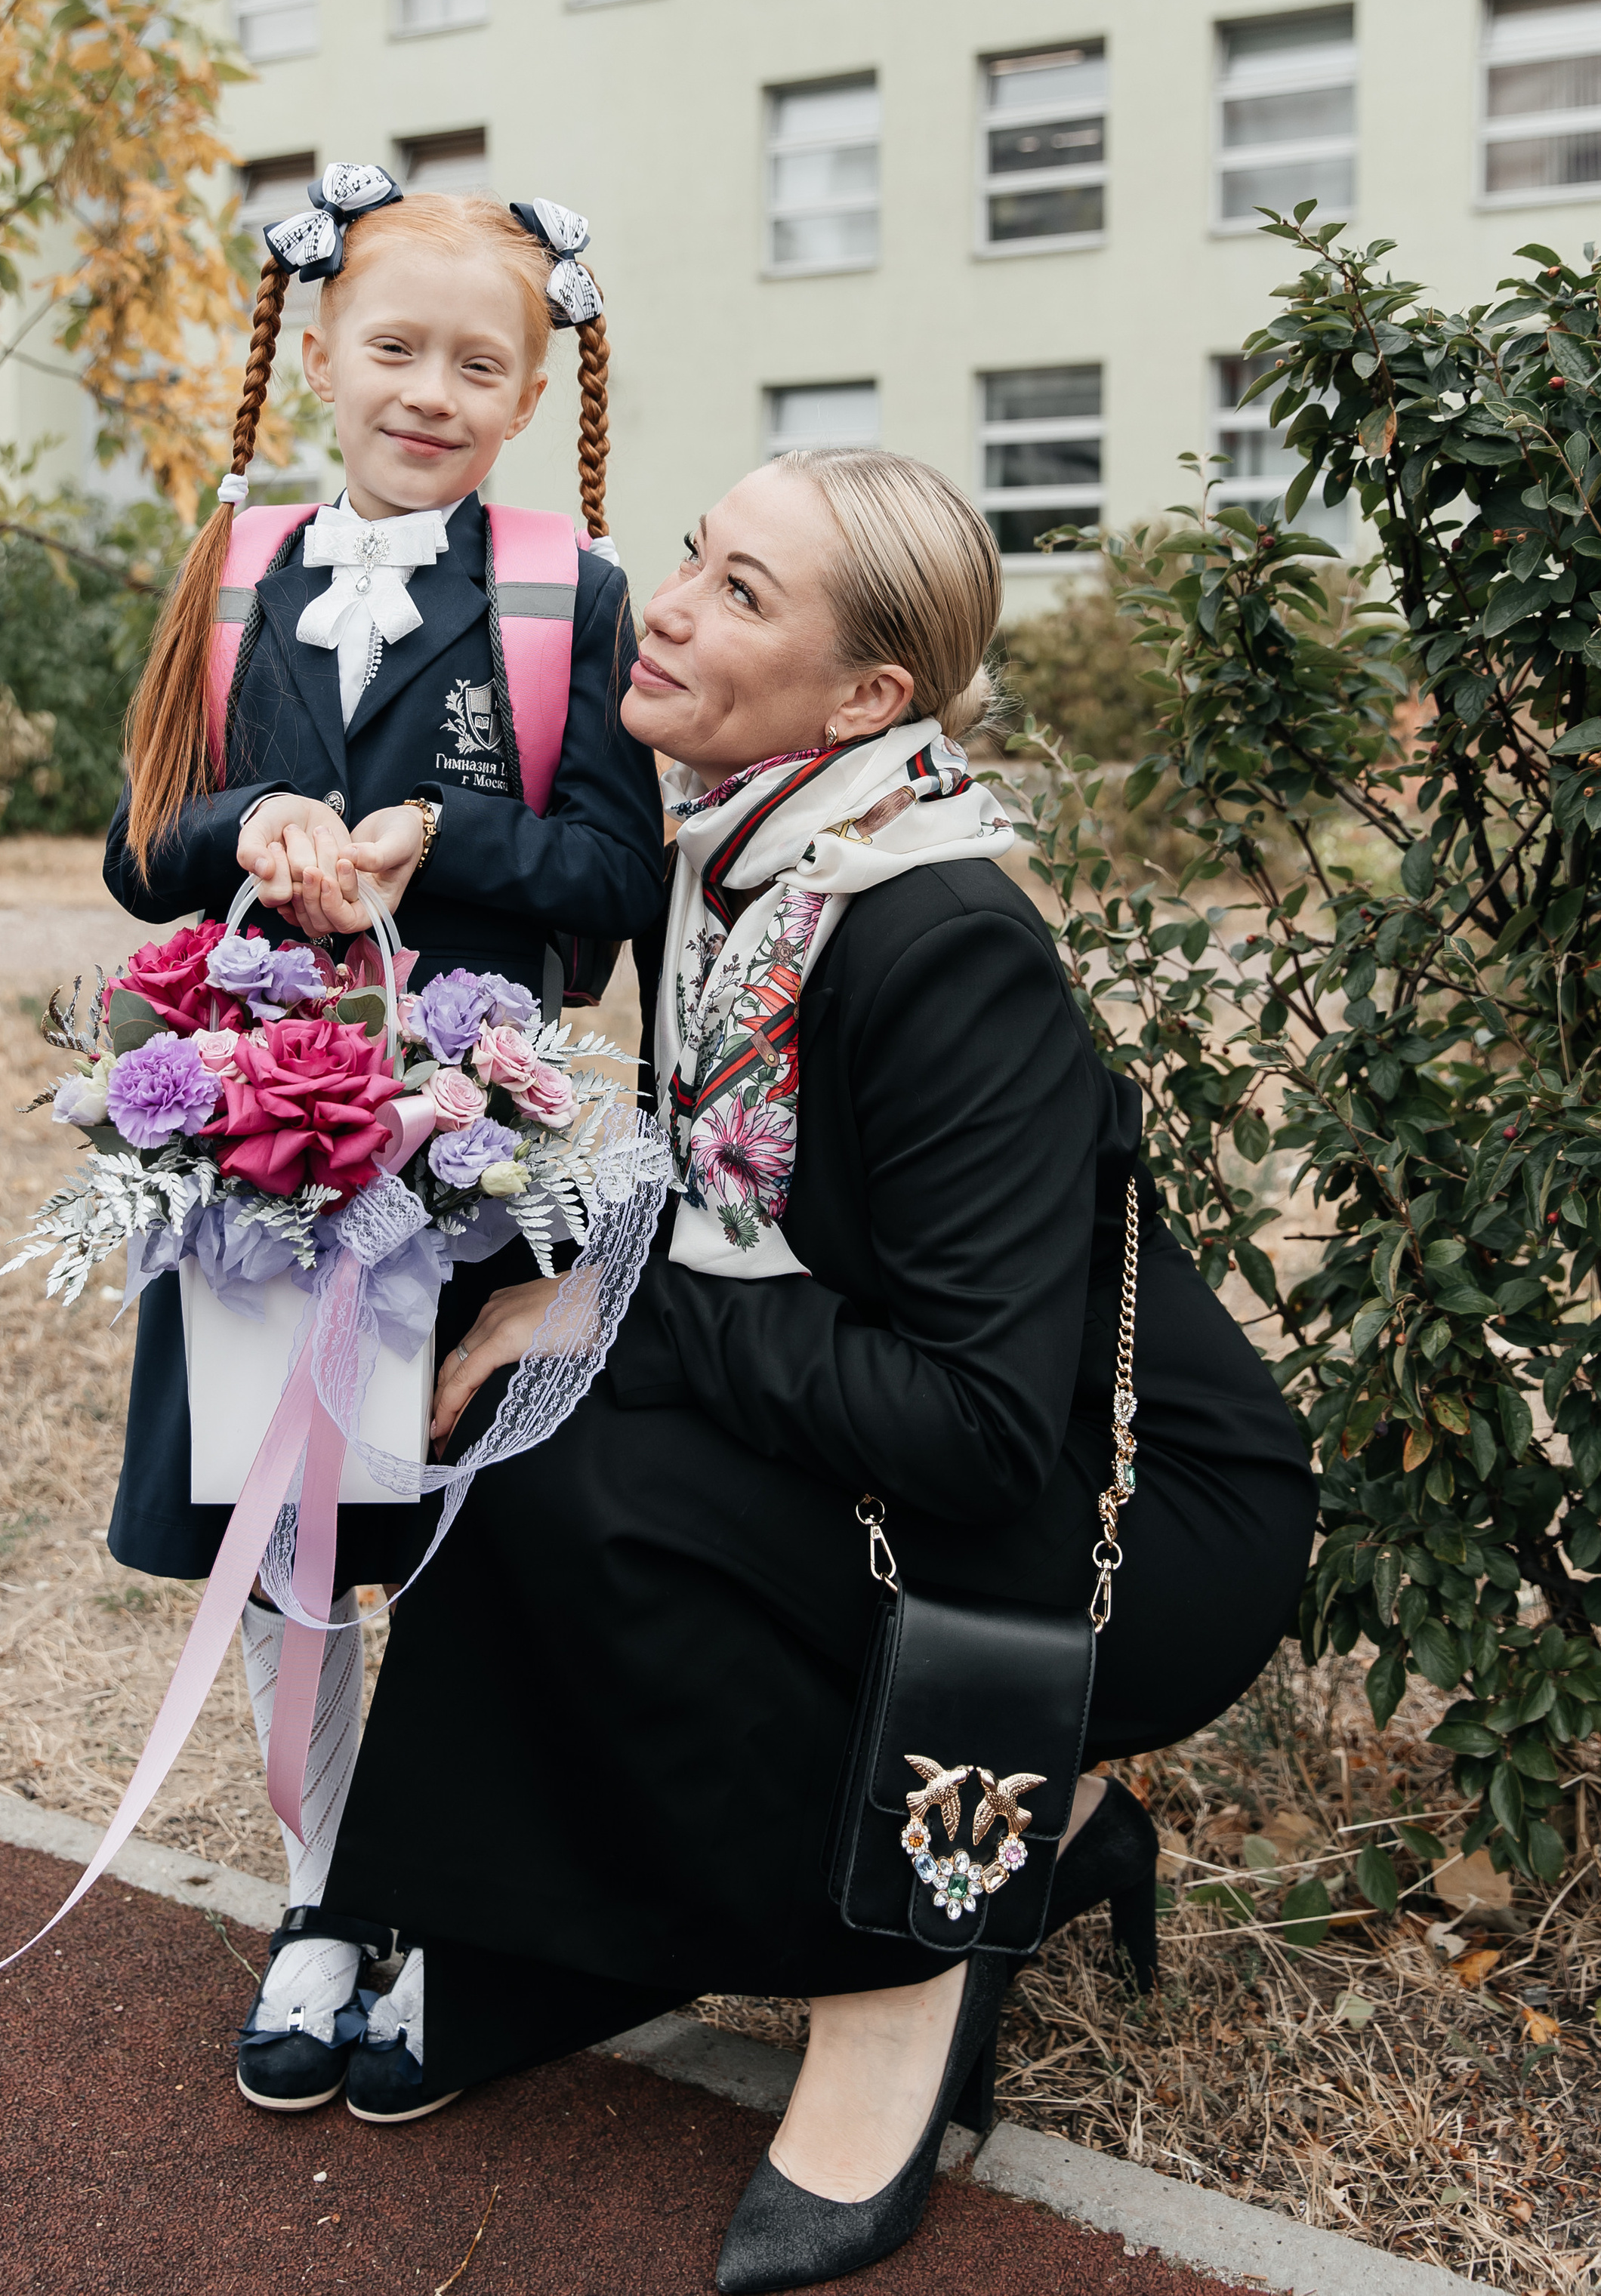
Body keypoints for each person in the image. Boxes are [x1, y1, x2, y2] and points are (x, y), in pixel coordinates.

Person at [323, 446, 1319, 2290]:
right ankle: (560, 1936)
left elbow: (976, 1424)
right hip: (920, 1430)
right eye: (692, 556)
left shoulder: (938, 934)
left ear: (866, 697)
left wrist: (613, 1313)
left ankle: (914, 1949)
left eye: (741, 593)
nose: (667, 607)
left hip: (1119, 1516)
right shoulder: (739, 851)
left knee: (595, 1451)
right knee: (524, 1429)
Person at [101, 174, 668, 2123]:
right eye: (396, 348)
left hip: (472, 1147)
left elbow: (612, 882)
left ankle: (450, 1905)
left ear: (528, 393)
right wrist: (248, 822)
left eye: (476, 365)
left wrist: (443, 837)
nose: (429, 390)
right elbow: (140, 845)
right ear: (322, 355)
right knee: (294, 1539)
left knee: (455, 1533)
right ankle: (323, 1894)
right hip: (260, 1141)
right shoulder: (236, 568)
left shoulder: (567, 597)